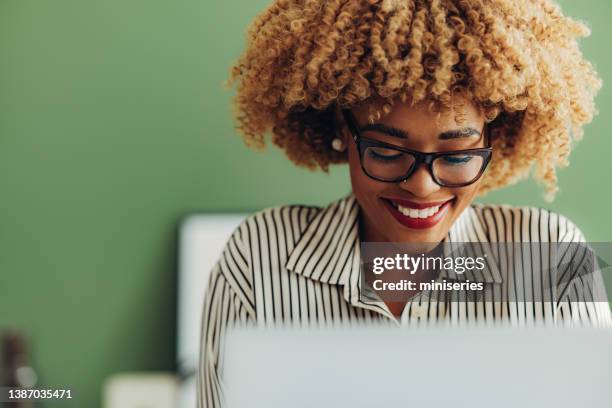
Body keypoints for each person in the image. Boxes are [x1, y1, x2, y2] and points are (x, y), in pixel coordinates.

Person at [197, 1, 611, 406]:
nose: (422, 186)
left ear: (492, 140)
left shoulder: (551, 259)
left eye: (457, 156)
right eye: (387, 151)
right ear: (344, 127)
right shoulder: (259, 259)